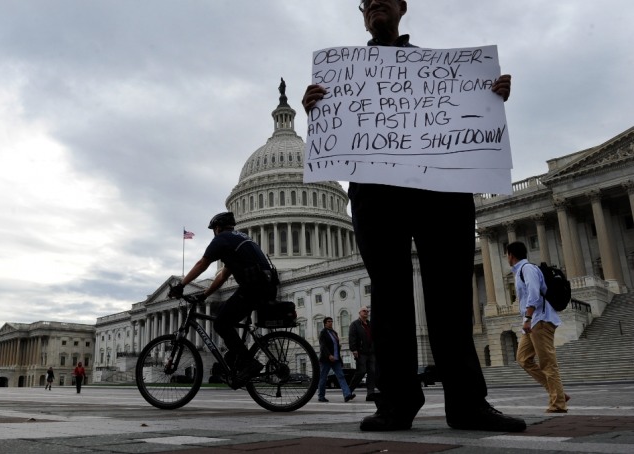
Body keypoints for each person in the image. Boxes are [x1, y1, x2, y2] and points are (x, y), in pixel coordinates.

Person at [302, 0, 525, 432]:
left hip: (440, 189)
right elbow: (337, 132)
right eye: (367, 0)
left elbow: (469, 117)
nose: (376, 4)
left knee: (450, 295)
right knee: (389, 298)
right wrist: (320, 111)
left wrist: (489, 97)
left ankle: (467, 403)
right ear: (363, 12)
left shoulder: (448, 72)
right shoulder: (342, 75)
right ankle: (397, 401)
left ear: (403, 7)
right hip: (376, 192)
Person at [168, 212, 277, 388]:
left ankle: (249, 363)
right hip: (268, 284)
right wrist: (205, 294)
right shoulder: (240, 239)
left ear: (217, 228)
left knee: (221, 323)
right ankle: (238, 361)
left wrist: (181, 285)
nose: (214, 233)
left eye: (213, 230)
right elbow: (222, 277)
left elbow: (202, 264)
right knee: (228, 320)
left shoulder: (222, 239)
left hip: (253, 287)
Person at [506, 241, 569, 413]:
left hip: (539, 320)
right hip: (533, 322)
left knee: (548, 362)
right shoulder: (521, 271)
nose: (507, 257)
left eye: (507, 254)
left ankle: (558, 403)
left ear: (510, 255)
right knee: (523, 359)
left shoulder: (527, 269)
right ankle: (558, 392)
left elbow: (534, 293)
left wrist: (527, 317)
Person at [317, 317, 356, 403]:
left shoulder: (334, 333)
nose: (330, 323)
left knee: (341, 376)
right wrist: (329, 355)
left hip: (336, 359)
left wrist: (340, 359)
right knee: (323, 377)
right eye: (328, 322)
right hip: (326, 359)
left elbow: (337, 347)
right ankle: (321, 396)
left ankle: (347, 395)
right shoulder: (323, 333)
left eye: (331, 321)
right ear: (325, 323)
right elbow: (323, 346)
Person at [348, 306, 377, 400]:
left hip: (371, 352)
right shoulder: (355, 324)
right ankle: (348, 391)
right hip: (361, 352)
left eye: (367, 311)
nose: (366, 312)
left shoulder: (370, 324)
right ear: (359, 313)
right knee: (361, 372)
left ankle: (370, 393)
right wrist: (354, 349)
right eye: (364, 311)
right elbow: (352, 337)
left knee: (372, 372)